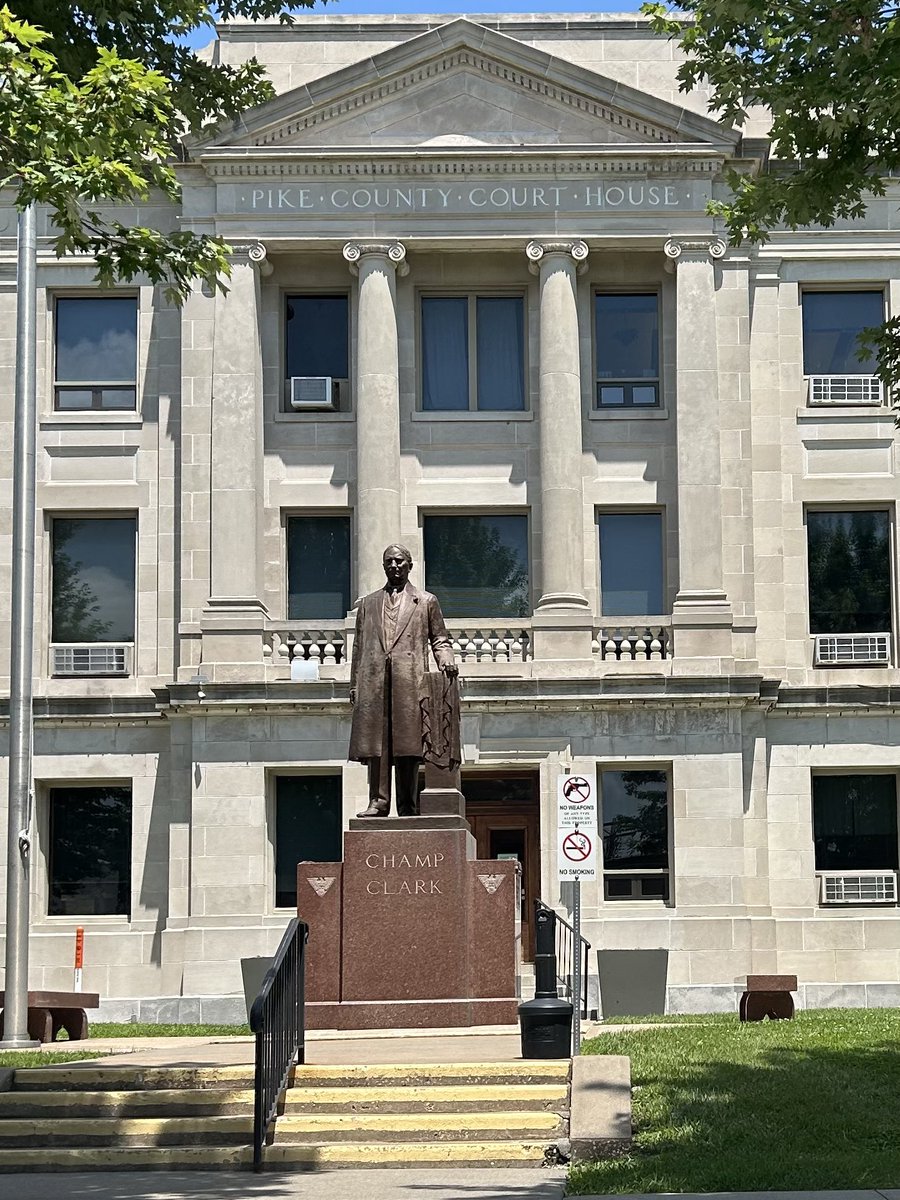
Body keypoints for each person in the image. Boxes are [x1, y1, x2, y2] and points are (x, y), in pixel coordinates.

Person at [349, 544, 458, 816]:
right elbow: (359, 648)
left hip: (409, 680)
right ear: (383, 566)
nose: (394, 566)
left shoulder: (426, 601)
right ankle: (378, 802)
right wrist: (354, 685)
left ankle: (407, 805)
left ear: (410, 565)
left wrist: (445, 659)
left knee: (408, 746)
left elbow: (440, 638)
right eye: (389, 561)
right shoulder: (368, 603)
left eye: (399, 561)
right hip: (374, 683)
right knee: (377, 745)